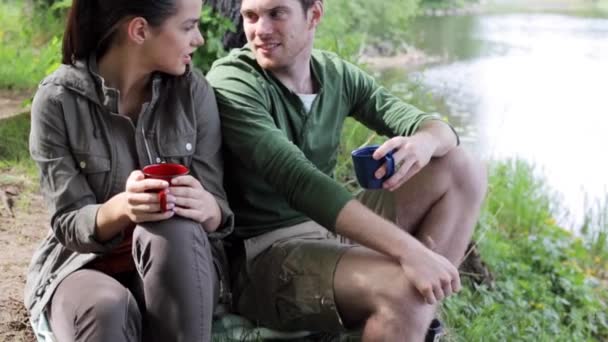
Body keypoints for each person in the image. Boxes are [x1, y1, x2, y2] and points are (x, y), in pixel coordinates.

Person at [206, 0, 488, 340]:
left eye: (276, 14)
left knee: (462, 167)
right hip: (265, 256)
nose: (260, 30)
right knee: (403, 291)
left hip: (328, 232)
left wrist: (423, 144)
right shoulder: (233, 80)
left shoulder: (334, 74)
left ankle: (411, 322)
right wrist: (411, 252)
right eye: (251, 16)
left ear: (314, 15)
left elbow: (431, 126)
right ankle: (410, 316)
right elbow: (300, 182)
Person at [24, 0, 234, 341]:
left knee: (176, 229)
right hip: (84, 265)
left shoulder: (193, 93)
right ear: (139, 30)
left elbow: (219, 208)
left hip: (178, 264)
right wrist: (122, 207)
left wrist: (209, 208)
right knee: (108, 307)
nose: (199, 39)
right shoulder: (57, 101)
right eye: (187, 27)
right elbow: (67, 222)